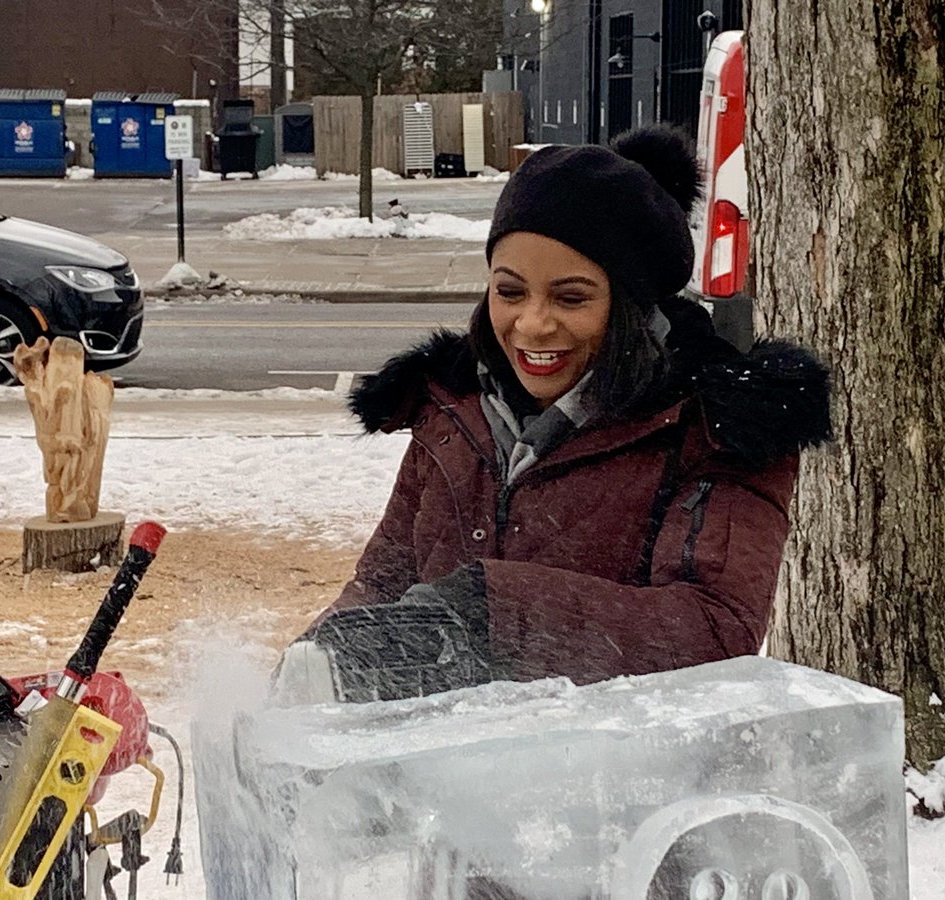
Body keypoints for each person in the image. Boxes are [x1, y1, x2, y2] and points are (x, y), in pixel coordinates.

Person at [293, 124, 832, 697]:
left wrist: (483, 616)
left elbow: (714, 629)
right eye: (510, 291)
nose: (532, 324)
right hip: (439, 771)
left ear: (628, 305)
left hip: (608, 776)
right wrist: (313, 663)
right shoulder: (452, 407)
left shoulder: (717, 427)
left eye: (571, 297)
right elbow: (380, 585)